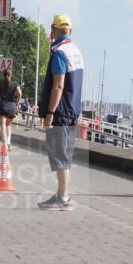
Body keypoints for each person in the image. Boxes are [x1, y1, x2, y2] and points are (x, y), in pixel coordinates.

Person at [37, 14, 84, 211]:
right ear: (70, 31)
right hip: (73, 110)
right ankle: (61, 194)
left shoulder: (60, 53)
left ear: (53, 30)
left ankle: (63, 198)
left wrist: (49, 112)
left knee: (59, 155)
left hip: (60, 111)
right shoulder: (76, 51)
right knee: (65, 155)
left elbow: (58, 85)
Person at [0, 68, 21, 149]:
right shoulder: (15, 84)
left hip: (3, 105)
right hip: (12, 106)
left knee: (2, 125)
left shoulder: (0, 84)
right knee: (8, 125)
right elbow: (19, 93)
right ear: (11, 75)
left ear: (3, 75)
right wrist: (17, 102)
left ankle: (5, 144)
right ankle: (8, 141)